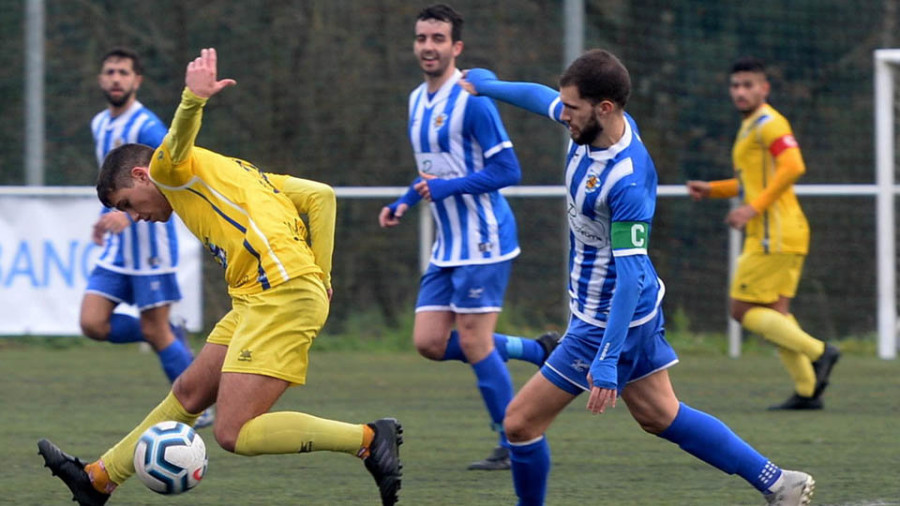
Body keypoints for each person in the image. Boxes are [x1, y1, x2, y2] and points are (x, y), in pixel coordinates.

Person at [38, 48, 402, 506]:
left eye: (128, 204)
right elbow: (321, 197)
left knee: (233, 431)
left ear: (141, 175)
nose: (135, 215)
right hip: (259, 295)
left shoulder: (166, 171)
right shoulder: (236, 172)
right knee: (190, 390)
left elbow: (180, 133)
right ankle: (97, 479)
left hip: (281, 292)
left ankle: (368, 439)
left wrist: (194, 98)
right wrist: (323, 275)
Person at [462, 50, 815, 505]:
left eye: (571, 107)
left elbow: (627, 276)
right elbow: (538, 97)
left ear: (604, 107)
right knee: (660, 415)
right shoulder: (588, 123)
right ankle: (776, 482)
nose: (562, 114)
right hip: (628, 309)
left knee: (519, 423)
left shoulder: (625, 179)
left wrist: (606, 358)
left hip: (611, 317)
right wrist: (488, 84)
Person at [378, 3, 559, 471]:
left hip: (484, 236)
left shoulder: (473, 99)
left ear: (456, 47)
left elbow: (507, 170)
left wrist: (444, 189)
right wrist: (404, 201)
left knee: (475, 341)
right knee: (429, 342)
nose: (428, 47)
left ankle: (512, 438)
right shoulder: (416, 101)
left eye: (438, 39)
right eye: (422, 38)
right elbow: (432, 170)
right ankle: (535, 350)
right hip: (448, 242)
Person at [686, 57, 840, 410]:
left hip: (774, 232)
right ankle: (807, 390)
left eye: (748, 85)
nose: (740, 92)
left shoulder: (769, 123)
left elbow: (793, 165)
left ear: (764, 88)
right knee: (776, 313)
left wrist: (753, 208)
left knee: (741, 309)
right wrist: (713, 189)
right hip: (784, 232)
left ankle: (820, 352)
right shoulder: (751, 126)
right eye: (735, 85)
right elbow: (750, 182)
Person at [83, 48, 214, 426]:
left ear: (137, 80)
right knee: (93, 324)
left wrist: (131, 215)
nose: (116, 78)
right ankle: (168, 334)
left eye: (123, 72)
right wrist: (108, 213)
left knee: (154, 330)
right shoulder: (99, 124)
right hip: (118, 247)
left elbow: (172, 166)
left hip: (150, 244)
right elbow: (112, 180)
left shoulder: (147, 125)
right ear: (101, 79)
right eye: (109, 71)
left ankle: (199, 405)